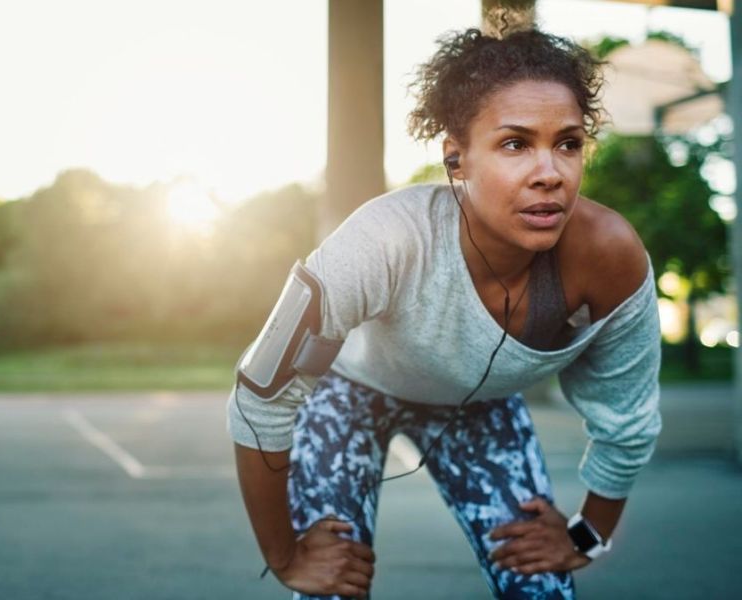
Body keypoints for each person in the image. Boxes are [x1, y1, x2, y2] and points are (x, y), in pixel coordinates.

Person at [227, 26, 662, 600]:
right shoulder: (386, 240)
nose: (550, 172)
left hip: (476, 408)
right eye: (514, 144)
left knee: (542, 587)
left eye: (568, 143)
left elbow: (626, 418)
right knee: (332, 588)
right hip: (349, 392)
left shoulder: (607, 256)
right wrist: (284, 557)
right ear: (457, 159)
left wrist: (586, 536)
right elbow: (261, 393)